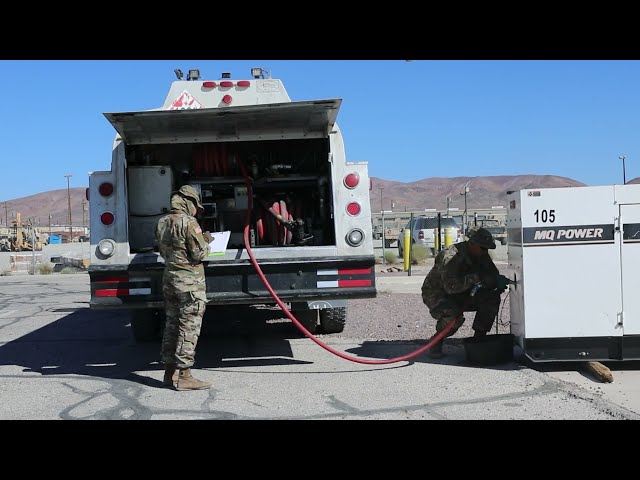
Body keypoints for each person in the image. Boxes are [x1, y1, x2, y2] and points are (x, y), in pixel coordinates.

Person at [420, 227, 511, 359]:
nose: (485, 252)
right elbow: (450, 287)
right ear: (471, 243)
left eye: (486, 249)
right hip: (438, 293)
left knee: (491, 299)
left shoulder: (480, 254)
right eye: (483, 248)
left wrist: (495, 282)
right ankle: (436, 342)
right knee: (454, 317)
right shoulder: (451, 256)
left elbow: (491, 274)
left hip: (465, 292)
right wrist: (476, 278)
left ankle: (478, 341)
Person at [156, 185, 213, 390]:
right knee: (189, 326)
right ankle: (185, 375)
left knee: (172, 324)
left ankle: (168, 373)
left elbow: (163, 251)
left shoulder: (162, 222)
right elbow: (199, 254)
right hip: (189, 283)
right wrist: (206, 240)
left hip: (169, 280)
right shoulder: (189, 223)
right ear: (189, 202)